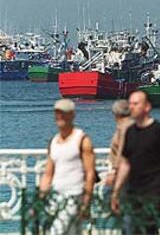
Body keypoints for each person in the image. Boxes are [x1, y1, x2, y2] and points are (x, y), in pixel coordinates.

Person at [111, 90, 160, 235]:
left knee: (148, 228)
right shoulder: (130, 132)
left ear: (147, 107)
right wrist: (116, 191)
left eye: (136, 104)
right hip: (133, 191)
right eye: (130, 104)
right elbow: (125, 163)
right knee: (131, 229)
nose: (131, 107)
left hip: (154, 191)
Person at [39, 99, 96, 235]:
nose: (60, 117)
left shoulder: (82, 140)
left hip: (74, 196)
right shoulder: (53, 142)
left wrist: (86, 201)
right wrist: (40, 197)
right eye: (57, 113)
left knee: (56, 232)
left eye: (64, 113)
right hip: (56, 197)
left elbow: (90, 173)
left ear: (72, 115)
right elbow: (48, 173)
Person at [106, 100, 134, 186]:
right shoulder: (136, 125)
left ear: (116, 114)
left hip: (125, 176)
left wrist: (114, 170)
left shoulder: (124, 128)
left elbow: (122, 150)